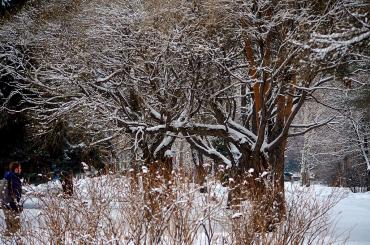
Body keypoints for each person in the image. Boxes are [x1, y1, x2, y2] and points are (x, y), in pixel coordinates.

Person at [2, 162, 23, 235]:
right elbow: (15, 194)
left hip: (6, 204)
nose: (21, 170)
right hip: (12, 206)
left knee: (9, 228)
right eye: (20, 168)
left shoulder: (7, 177)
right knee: (15, 229)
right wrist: (16, 206)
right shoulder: (14, 178)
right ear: (16, 169)